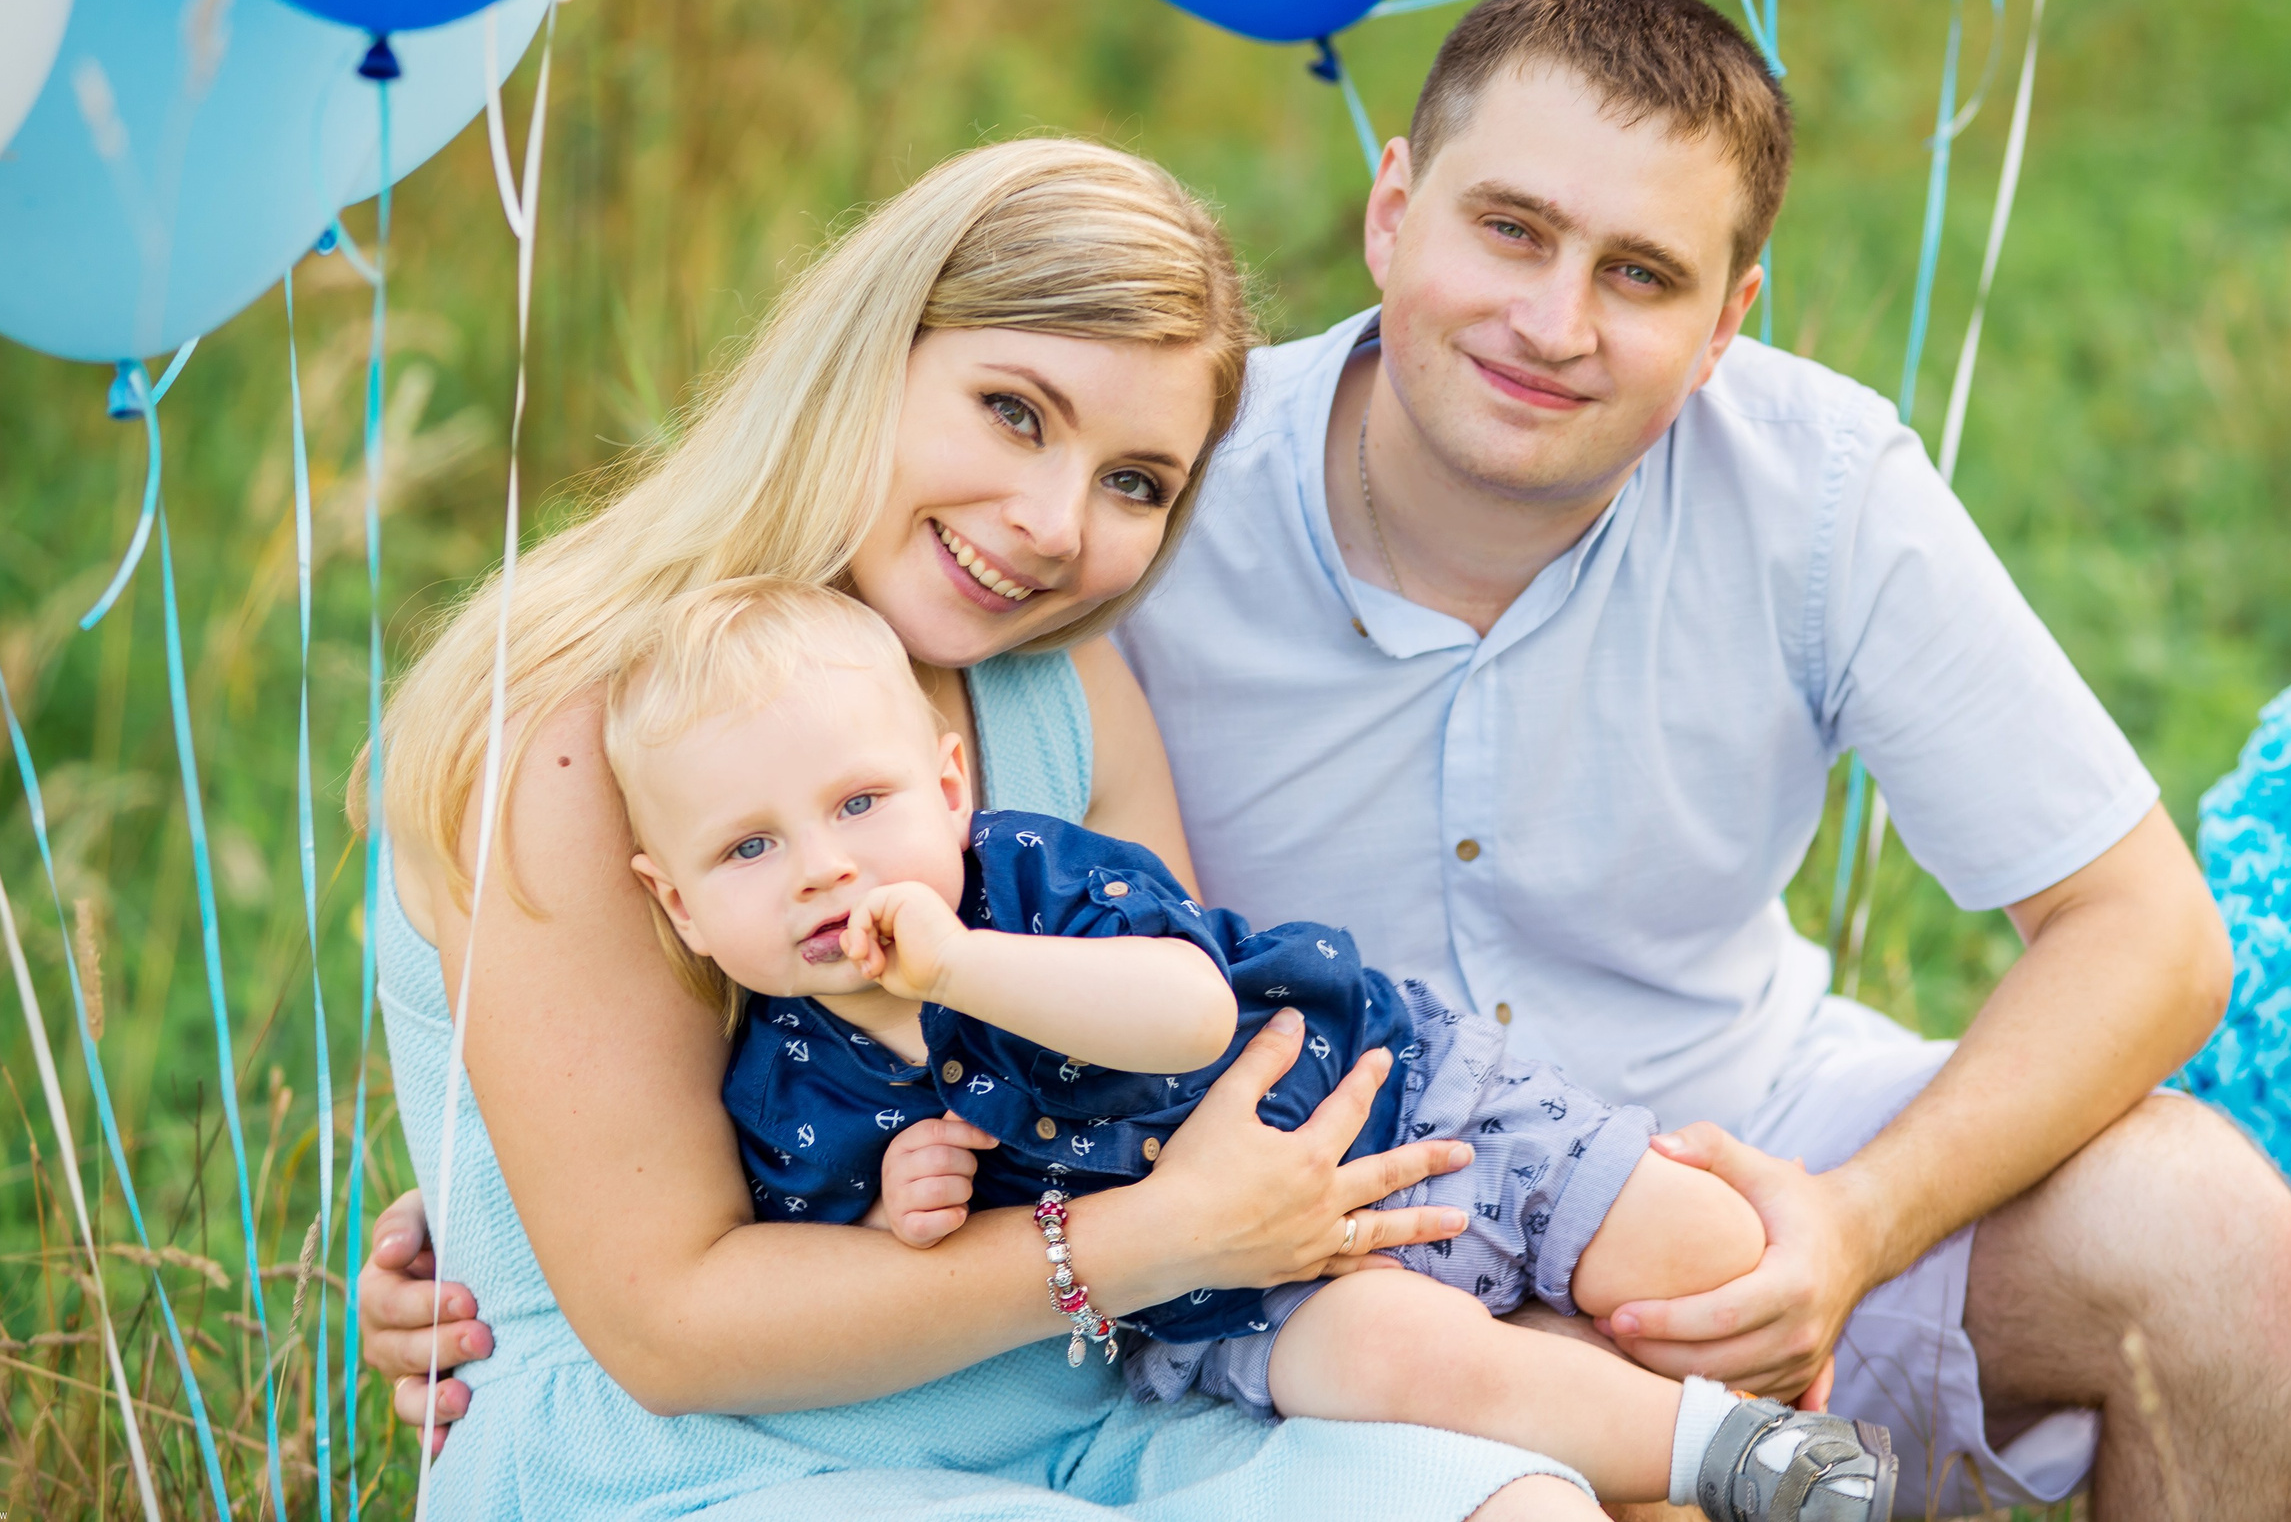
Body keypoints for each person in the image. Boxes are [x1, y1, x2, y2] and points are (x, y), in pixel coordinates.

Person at [367, 0, 2291, 1516]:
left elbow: (2145, 935)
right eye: (1509, 230)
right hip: (1255, 1266)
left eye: (1639, 275)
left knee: (2198, 1238)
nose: (1552, 321)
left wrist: (1847, 1223)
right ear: (1391, 210)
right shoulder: (1126, 519)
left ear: (1730, 313)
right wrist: (491, 1214)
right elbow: (652, 1096)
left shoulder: (1792, 488)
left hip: (1642, 1169)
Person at [356, 135, 1617, 1521]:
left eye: (1136, 481)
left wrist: (1532, 1298)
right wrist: (1151, 1239)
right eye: (1015, 410)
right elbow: (669, 1324)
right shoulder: (565, 728)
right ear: (872, 349)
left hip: (1103, 1410)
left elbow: (1185, 1118)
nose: (1052, 523)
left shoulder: (1057, 687)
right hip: (712, 1455)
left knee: (1531, 1498)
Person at [600, 574, 1894, 1517]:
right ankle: (1738, 1464)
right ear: (679, 905)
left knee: (1700, 1254)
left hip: (1405, 1101)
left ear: (949, 787)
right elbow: (826, 1277)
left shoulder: (1023, 877)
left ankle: (1762, 1442)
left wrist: (955, 963)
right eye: (749, 848)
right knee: (1412, 1366)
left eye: (859, 803)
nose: (823, 866)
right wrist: (898, 1209)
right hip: (1237, 1300)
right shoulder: (789, 1083)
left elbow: (1189, 1011)